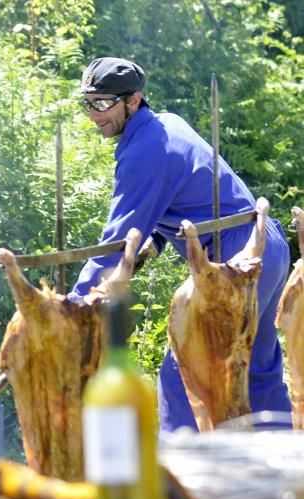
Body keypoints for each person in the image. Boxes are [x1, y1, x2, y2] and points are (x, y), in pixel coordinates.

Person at [72, 56, 291, 432]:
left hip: (234, 255)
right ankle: (289, 476)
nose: (94, 114)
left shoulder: (146, 150)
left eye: (104, 102)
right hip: (265, 243)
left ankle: (181, 480)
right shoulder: (167, 125)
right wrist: (154, 243)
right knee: (258, 371)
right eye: (88, 103)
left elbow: (118, 241)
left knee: (184, 375)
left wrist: (73, 307)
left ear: (134, 100)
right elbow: (172, 202)